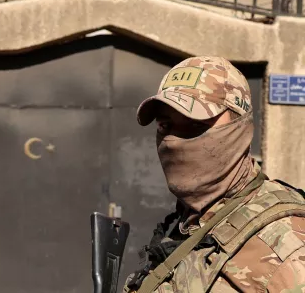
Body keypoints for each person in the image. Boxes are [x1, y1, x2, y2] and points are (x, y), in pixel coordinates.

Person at [123, 56, 305, 293]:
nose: (174, 142)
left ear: (241, 125)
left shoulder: (286, 247)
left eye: (196, 125)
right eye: (165, 126)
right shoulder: (186, 222)